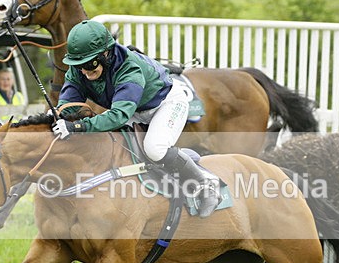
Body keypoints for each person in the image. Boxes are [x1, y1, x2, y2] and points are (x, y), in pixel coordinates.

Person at [53, 20, 221, 217]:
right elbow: (68, 105)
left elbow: (118, 115)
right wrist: (58, 116)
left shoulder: (129, 68)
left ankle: (206, 184)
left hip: (166, 104)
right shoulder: (80, 68)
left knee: (154, 149)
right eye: (78, 65)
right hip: (134, 109)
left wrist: (78, 126)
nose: (84, 71)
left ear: (106, 54)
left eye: (90, 64)